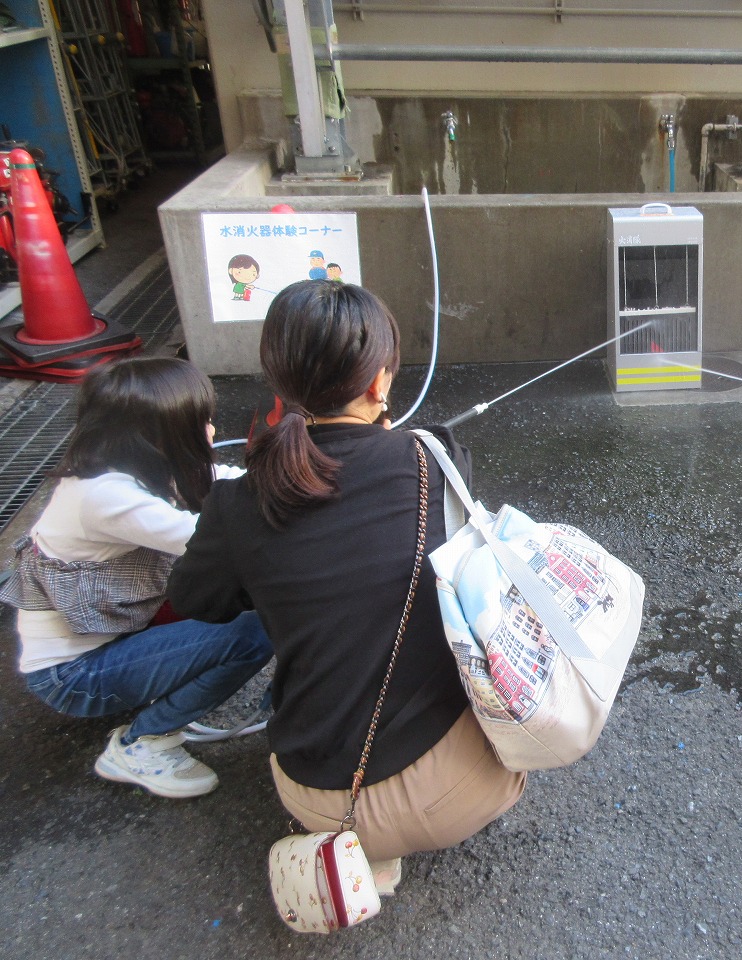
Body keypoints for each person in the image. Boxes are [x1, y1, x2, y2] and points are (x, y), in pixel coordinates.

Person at [168, 280, 524, 894]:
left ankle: (368, 851)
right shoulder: (436, 459)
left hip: (315, 801)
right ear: (380, 382)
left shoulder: (237, 498)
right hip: (459, 794)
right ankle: (388, 844)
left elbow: (199, 598)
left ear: (280, 380)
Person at [0, 357, 273, 799]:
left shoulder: (127, 467)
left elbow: (225, 486)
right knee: (255, 629)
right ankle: (142, 744)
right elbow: (221, 541)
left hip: (108, 634)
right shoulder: (107, 497)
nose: (210, 430)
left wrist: (289, 482)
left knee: (215, 596)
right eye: (200, 421)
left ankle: (151, 680)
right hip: (72, 676)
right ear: (159, 435)